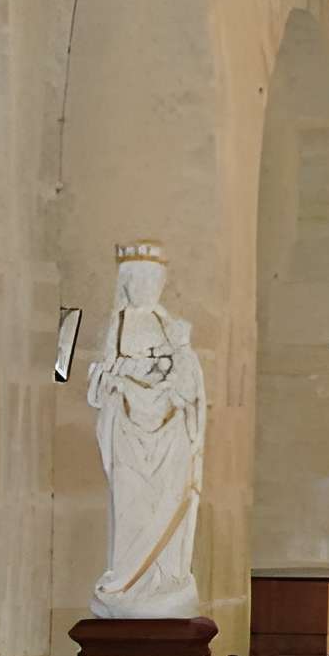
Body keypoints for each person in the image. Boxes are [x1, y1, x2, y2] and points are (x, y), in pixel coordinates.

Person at [84, 243, 207, 617]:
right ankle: (127, 580)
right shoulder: (117, 327)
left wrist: (179, 355)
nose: (146, 287)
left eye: (153, 279)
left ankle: (166, 579)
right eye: (138, 279)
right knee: (132, 505)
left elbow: (189, 385)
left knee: (170, 500)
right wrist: (118, 377)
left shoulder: (170, 326)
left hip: (169, 436)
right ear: (126, 283)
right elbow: (100, 384)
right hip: (129, 433)